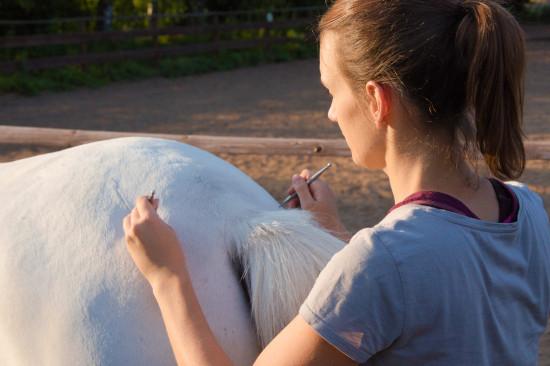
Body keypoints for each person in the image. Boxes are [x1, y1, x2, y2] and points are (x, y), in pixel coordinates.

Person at [122, 0, 550, 365]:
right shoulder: (528, 210)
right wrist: (335, 233)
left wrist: (169, 277)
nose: (330, 113)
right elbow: (436, 288)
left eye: (333, 91)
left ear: (377, 100)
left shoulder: (383, 260)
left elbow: (401, 272)